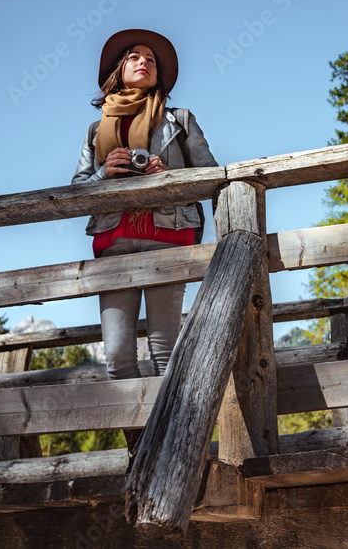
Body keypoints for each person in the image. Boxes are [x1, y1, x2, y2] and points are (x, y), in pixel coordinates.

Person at [71, 28, 218, 462]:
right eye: (134, 56)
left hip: (166, 237)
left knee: (164, 351)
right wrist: (104, 174)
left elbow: (212, 177)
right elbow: (75, 191)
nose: (143, 61)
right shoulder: (97, 129)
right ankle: (142, 454)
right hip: (113, 243)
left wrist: (165, 177)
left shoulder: (181, 120)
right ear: (119, 70)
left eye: (151, 58)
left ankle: (174, 451)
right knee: (116, 356)